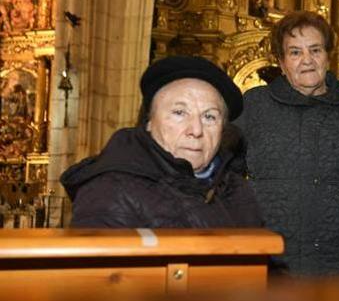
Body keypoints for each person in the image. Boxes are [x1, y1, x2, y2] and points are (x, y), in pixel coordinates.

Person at [236, 11, 339, 276]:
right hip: (272, 267)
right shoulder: (254, 106)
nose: (307, 61)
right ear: (281, 61)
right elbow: (226, 177)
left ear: (328, 56)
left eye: (315, 50)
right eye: (295, 53)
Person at [61, 56, 262, 228]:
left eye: (209, 117)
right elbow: (102, 273)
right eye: (179, 113)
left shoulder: (236, 190)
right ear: (148, 122)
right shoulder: (109, 192)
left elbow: (267, 266)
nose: (196, 130)